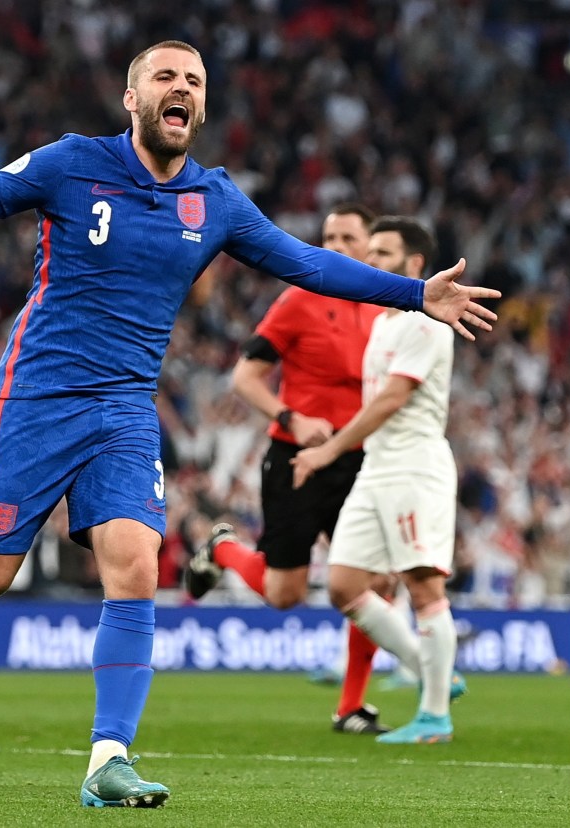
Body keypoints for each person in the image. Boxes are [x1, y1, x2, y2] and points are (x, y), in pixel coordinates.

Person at [0, 41, 498, 805]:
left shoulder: (214, 201)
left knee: (137, 566)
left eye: (193, 81)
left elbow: (307, 264)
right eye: (165, 77)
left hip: (123, 411)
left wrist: (416, 294)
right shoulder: (70, 163)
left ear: (201, 107)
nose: (180, 88)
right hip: (35, 398)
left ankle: (107, 761)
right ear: (132, 98)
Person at [184, 202, 398, 735]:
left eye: (348, 237)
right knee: (285, 595)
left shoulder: (384, 311)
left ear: (370, 248)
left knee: (376, 582)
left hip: (358, 462)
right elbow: (244, 377)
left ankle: (351, 706)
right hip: (295, 460)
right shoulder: (299, 300)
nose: (336, 246)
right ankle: (223, 549)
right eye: (328, 235)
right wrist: (292, 417)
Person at [292, 216, 467, 743]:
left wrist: (330, 452)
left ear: (415, 265)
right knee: (344, 584)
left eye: (383, 254)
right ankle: (429, 666)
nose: (370, 262)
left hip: (414, 466)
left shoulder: (423, 320)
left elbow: (393, 398)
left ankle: (435, 715)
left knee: (423, 585)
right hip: (378, 467)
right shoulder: (384, 321)